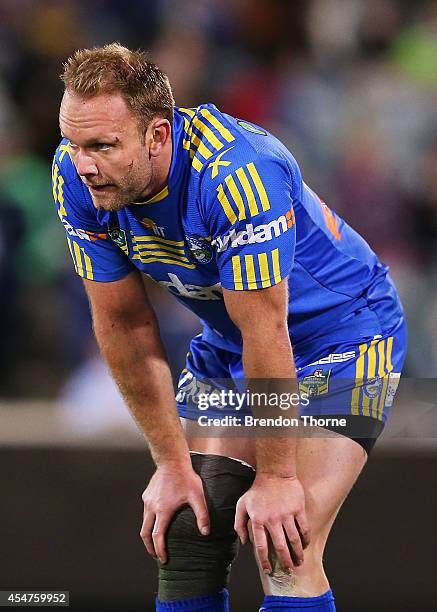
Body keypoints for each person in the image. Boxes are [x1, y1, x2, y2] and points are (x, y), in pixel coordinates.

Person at [53, 43, 407, 612]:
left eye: (101, 145)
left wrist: (276, 477)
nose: (83, 161)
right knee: (186, 532)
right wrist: (170, 464)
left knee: (286, 544)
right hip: (232, 341)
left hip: (343, 338)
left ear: (158, 136)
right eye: (74, 142)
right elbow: (122, 324)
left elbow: (269, 330)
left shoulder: (239, 174)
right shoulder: (77, 176)